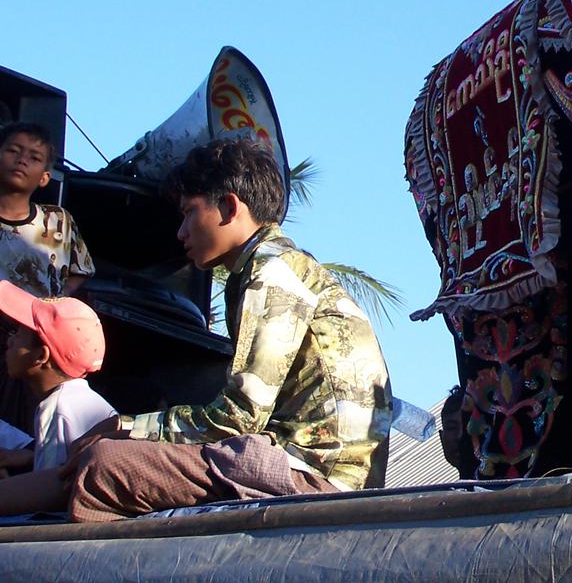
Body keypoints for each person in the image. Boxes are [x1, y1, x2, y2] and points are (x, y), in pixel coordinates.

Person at [60, 137, 393, 522]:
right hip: (320, 473)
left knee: (105, 465)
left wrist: (125, 426)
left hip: (312, 478)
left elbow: (239, 418)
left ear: (230, 207)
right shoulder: (285, 268)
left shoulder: (273, 272)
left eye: (189, 212)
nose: (181, 232)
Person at [0, 281, 114, 516]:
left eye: (18, 334)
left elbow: (45, 502)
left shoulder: (57, 409)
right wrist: (31, 458)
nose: (9, 341)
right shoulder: (81, 399)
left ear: (41, 356)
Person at [0, 122, 94, 300]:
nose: (22, 160)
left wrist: (57, 299)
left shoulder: (59, 221)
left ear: (44, 178)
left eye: (34, 158)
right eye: (13, 151)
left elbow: (83, 270)